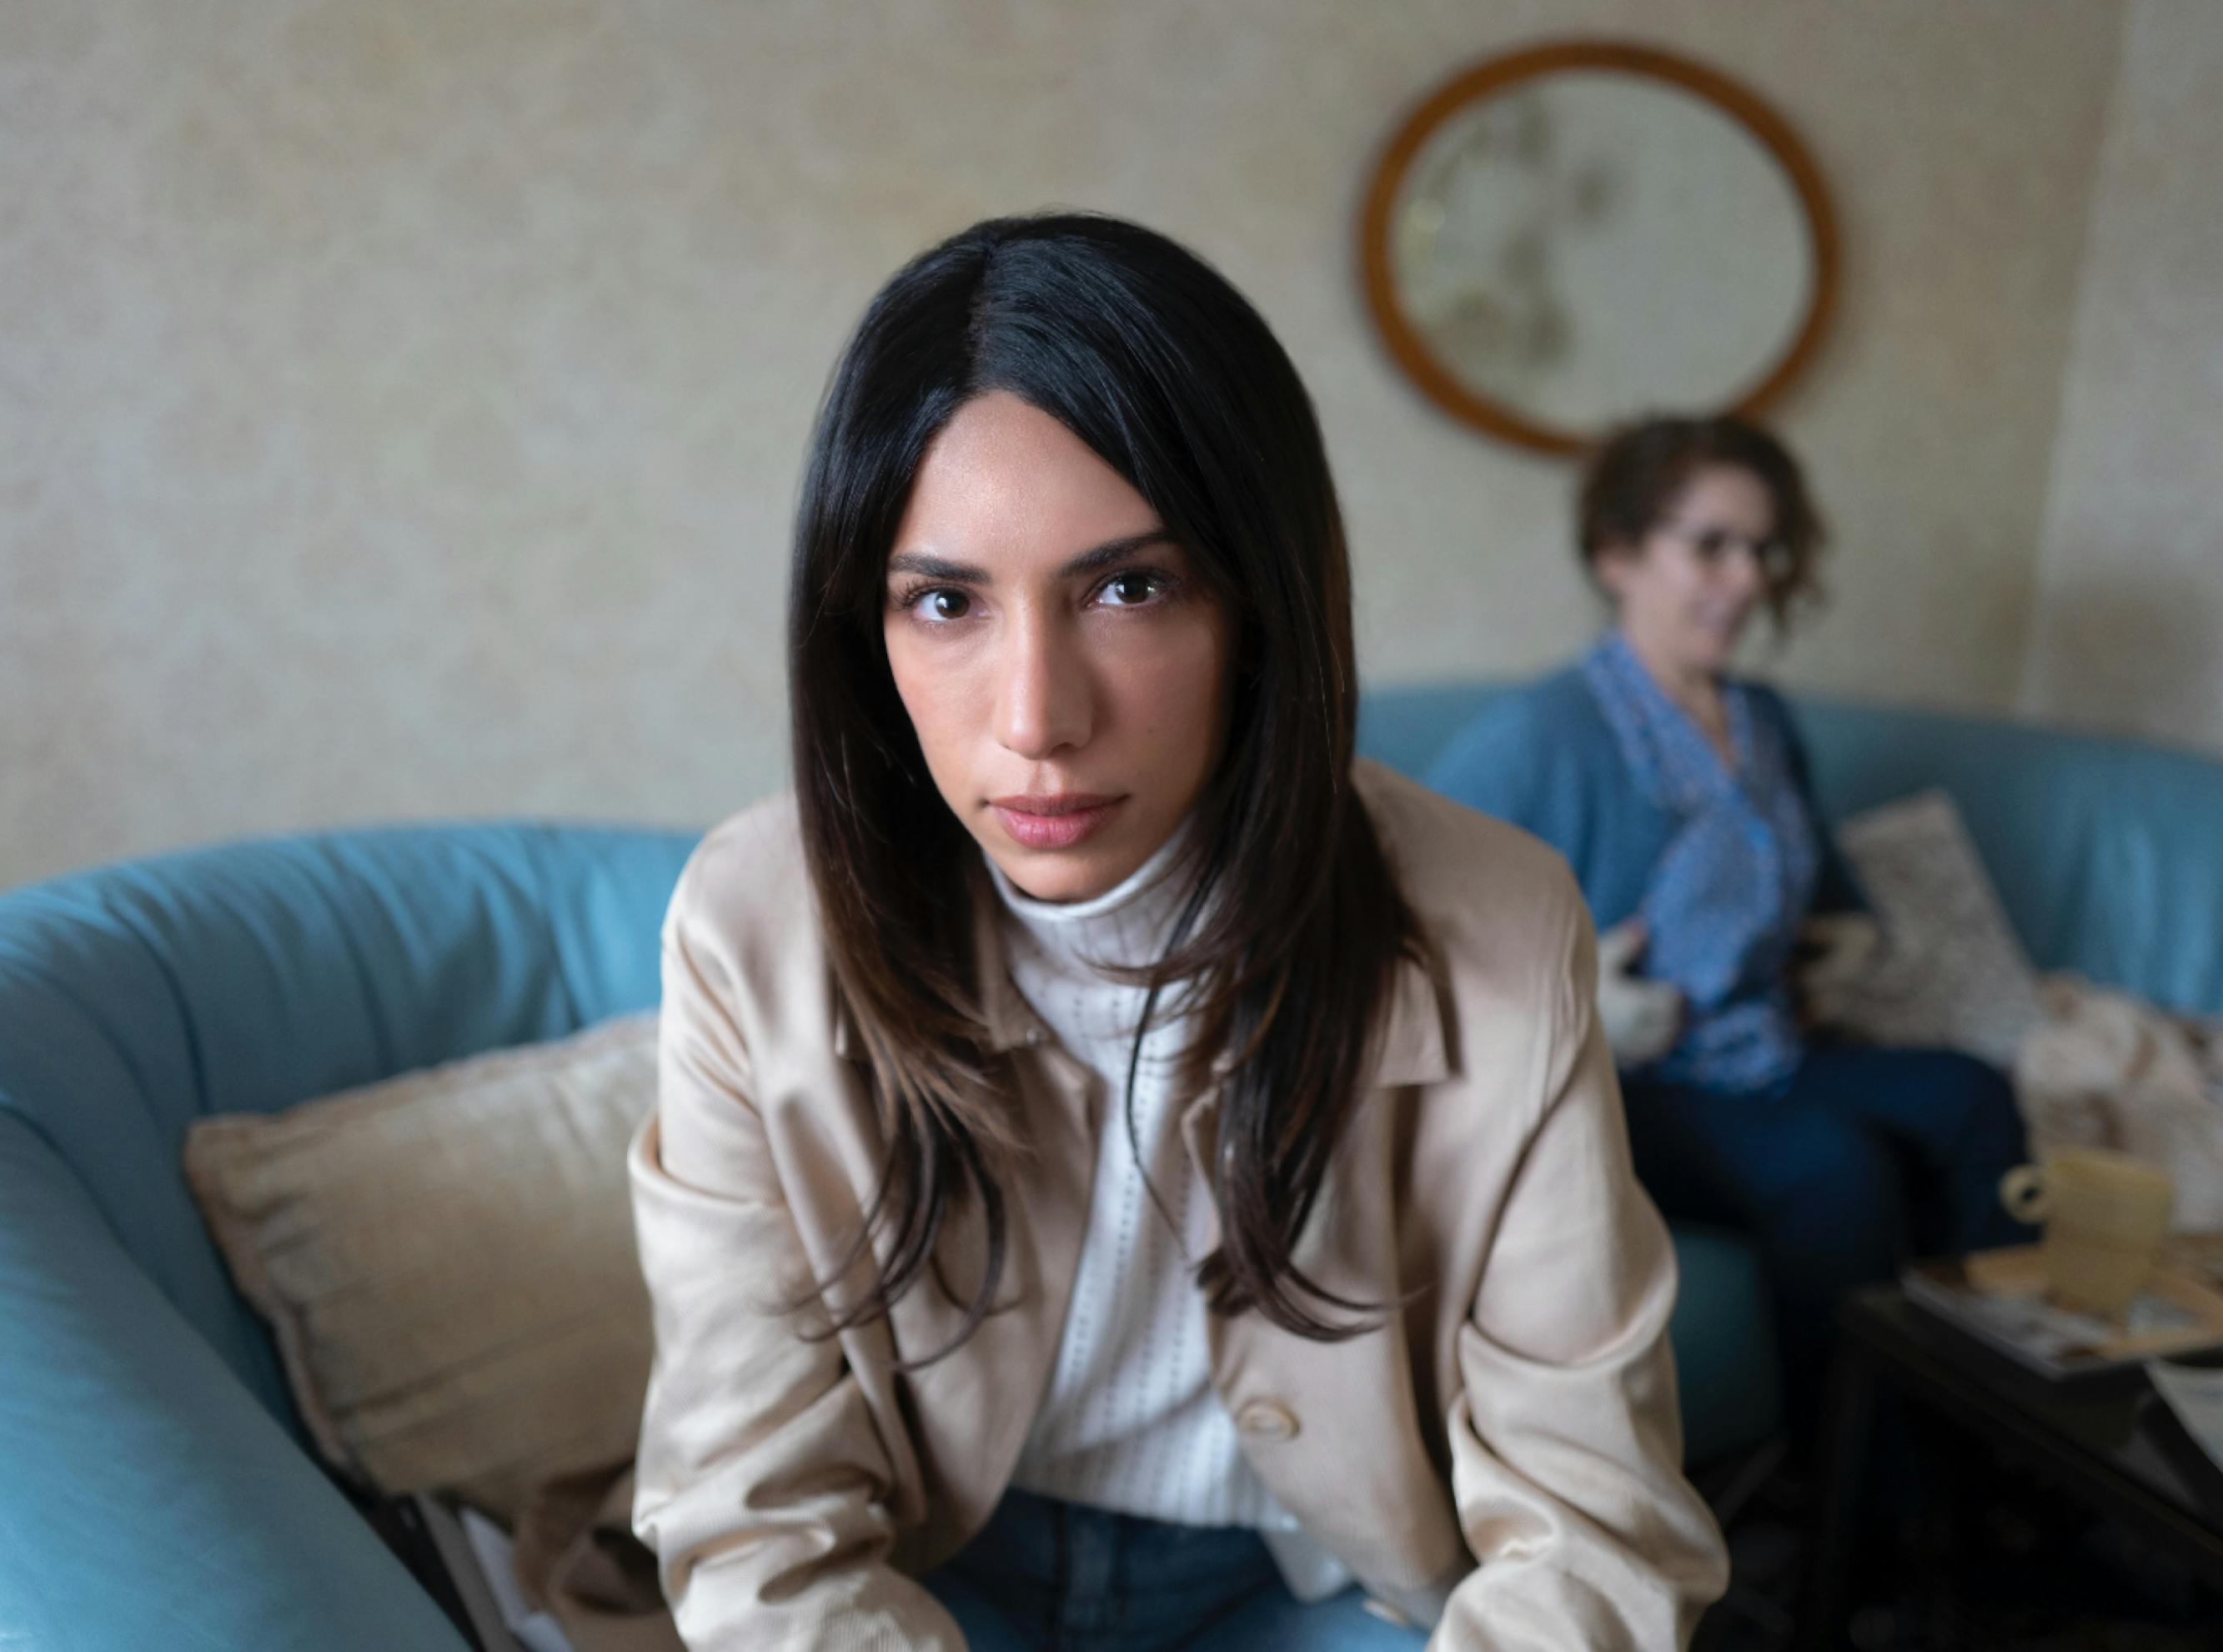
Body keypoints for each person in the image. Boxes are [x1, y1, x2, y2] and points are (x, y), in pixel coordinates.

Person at [625, 215, 1728, 1652]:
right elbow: (758, 1523)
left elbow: (1596, 1530)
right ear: (866, 630)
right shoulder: (751, 922)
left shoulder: (1499, 924)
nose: (1036, 719)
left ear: (1260, 605)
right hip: (930, 1568)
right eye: (945, 602)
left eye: (1128, 588)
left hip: (1313, 1582)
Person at [1427, 414, 2032, 1452]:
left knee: (1971, 1098)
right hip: (1628, 1083)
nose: (1744, 578)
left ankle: (2003, 1434)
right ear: (1617, 555)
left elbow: (1813, 897)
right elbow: (1404, 931)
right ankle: (1856, 1507)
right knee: (1829, 1169)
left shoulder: (1761, 718)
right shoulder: (1538, 736)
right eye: (1709, 543)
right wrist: (1577, 1005)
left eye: (1761, 548)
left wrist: (1835, 948)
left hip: (1764, 1049)